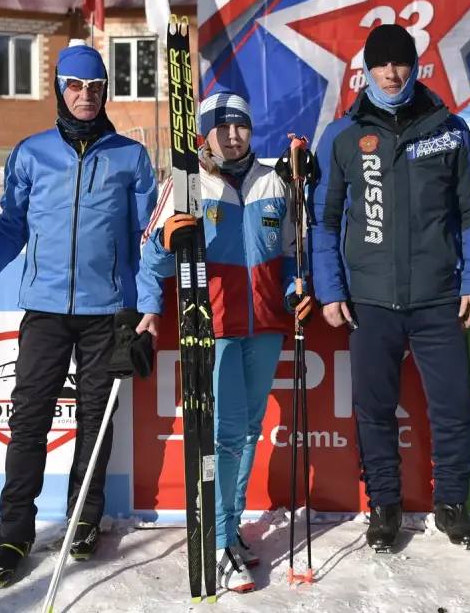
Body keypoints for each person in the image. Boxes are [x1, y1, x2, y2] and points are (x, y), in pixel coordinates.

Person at [0, 43, 158, 588]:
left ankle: (83, 520)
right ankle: (13, 533)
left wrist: (143, 307)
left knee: (95, 420)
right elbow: (10, 229)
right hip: (43, 309)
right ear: (60, 90)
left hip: (107, 312)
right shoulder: (31, 153)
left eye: (95, 88)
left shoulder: (129, 157)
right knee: (28, 422)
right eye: (75, 87)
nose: (85, 97)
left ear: (105, 91)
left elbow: (146, 240)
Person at [312, 24, 470, 553]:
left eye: (401, 63)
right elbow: (323, 221)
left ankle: (452, 505)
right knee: (373, 409)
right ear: (365, 69)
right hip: (370, 302)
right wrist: (330, 290)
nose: (392, 74)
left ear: (416, 66)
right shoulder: (343, 135)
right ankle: (385, 506)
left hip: (440, 297)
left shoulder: (448, 129)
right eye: (381, 65)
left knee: (455, 407)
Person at [135, 90, 313, 592]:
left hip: (265, 325)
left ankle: (229, 527)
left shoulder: (275, 181)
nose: (234, 136)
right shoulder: (187, 185)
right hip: (212, 327)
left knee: (250, 429)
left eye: (242, 127)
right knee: (225, 434)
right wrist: (150, 306)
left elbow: (290, 254)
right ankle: (216, 540)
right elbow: (152, 255)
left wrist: (297, 287)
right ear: (206, 133)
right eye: (223, 127)